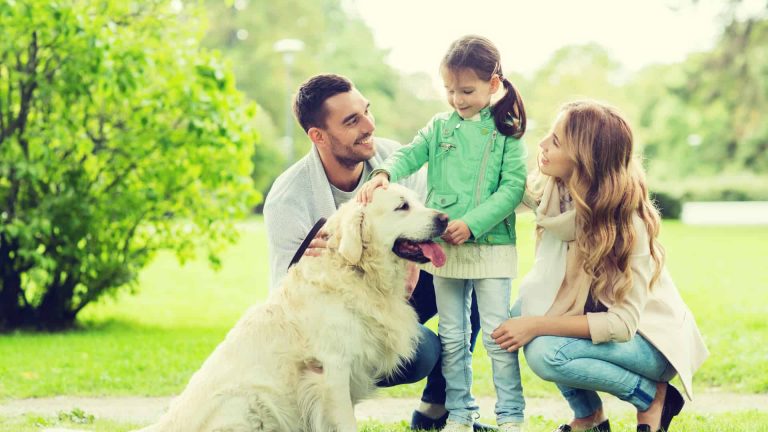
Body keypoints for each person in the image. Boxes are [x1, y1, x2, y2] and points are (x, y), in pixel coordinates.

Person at [263, 73, 496, 431]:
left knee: (473, 281)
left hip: (396, 279)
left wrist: (412, 262)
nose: (368, 126)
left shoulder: (391, 157)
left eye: (366, 111)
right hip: (337, 312)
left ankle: (435, 411)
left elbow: (423, 219)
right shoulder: (289, 199)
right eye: (351, 121)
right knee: (423, 354)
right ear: (318, 136)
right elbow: (286, 298)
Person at [491, 100, 709, 432]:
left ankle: (651, 397)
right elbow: (499, 192)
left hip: (649, 341)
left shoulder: (627, 223)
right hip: (606, 326)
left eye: (557, 141)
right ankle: (590, 417)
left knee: (546, 351)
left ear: (584, 160)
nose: (543, 145)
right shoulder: (554, 191)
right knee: (528, 309)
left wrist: (536, 324)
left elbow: (622, 324)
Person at [359, 35, 527, 432]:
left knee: (495, 337)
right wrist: (384, 173)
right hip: (446, 251)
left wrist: (473, 224)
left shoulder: (508, 131)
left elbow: (513, 188)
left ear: (494, 82)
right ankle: (461, 414)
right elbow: (410, 152)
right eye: (450, 90)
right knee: (452, 337)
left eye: (467, 90)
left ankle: (511, 417)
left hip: (491, 249)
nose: (457, 99)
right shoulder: (439, 127)